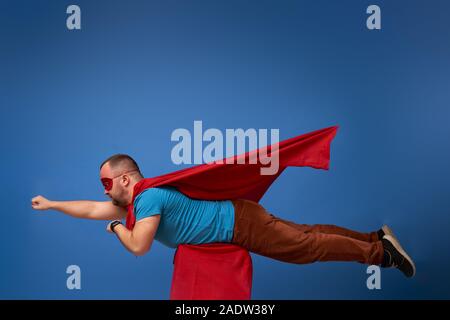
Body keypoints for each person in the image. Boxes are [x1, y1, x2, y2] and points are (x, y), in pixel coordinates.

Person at [31, 154, 416, 278]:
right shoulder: (140, 199)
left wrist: (117, 227)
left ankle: (381, 254)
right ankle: (374, 237)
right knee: (307, 233)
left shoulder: (144, 203)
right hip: (240, 217)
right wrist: (52, 204)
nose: (104, 191)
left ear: (126, 178)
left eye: (106, 182)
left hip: (240, 225)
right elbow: (90, 208)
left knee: (305, 247)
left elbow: (139, 246)